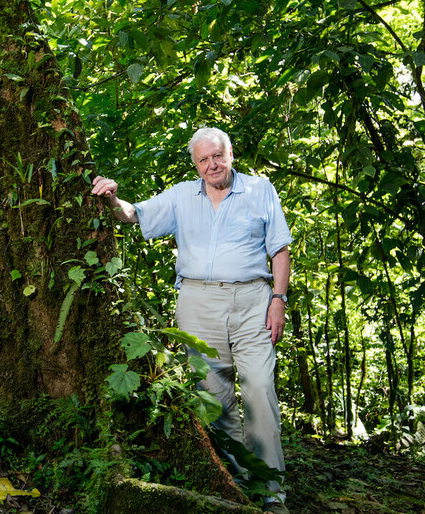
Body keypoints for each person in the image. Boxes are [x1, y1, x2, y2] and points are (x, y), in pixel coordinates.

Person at [91, 127, 291, 514]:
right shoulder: (183, 195)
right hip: (198, 302)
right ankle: (238, 487)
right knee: (213, 398)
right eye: (203, 159)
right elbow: (135, 216)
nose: (212, 165)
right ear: (196, 164)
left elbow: (279, 249)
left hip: (253, 300)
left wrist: (278, 300)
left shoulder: (259, 189)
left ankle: (272, 494)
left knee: (260, 389)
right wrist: (112, 197)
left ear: (230, 155)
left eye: (217, 156)